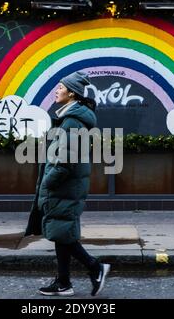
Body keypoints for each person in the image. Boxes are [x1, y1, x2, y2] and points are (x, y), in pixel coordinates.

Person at [24, 71, 110, 297]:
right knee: (61, 233)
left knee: (63, 234)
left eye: (60, 87)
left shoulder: (72, 121)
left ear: (72, 93)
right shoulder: (69, 118)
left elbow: (66, 161)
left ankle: (95, 267)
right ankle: (63, 283)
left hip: (63, 188)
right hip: (65, 188)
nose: (56, 90)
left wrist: (48, 181)